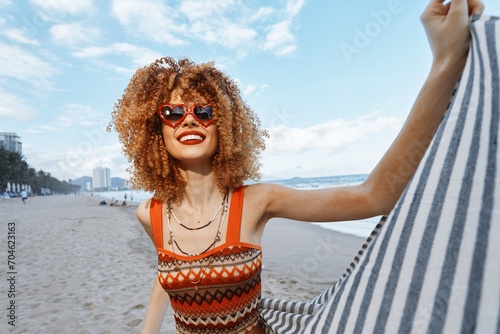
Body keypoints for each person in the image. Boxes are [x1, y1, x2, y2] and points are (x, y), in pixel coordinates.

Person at [110, 0, 484, 332]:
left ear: (222, 124)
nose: (189, 120)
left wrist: (445, 64)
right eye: (173, 112)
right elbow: (167, 274)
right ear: (155, 128)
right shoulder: (150, 214)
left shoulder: (259, 201)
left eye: (203, 111)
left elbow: (376, 196)